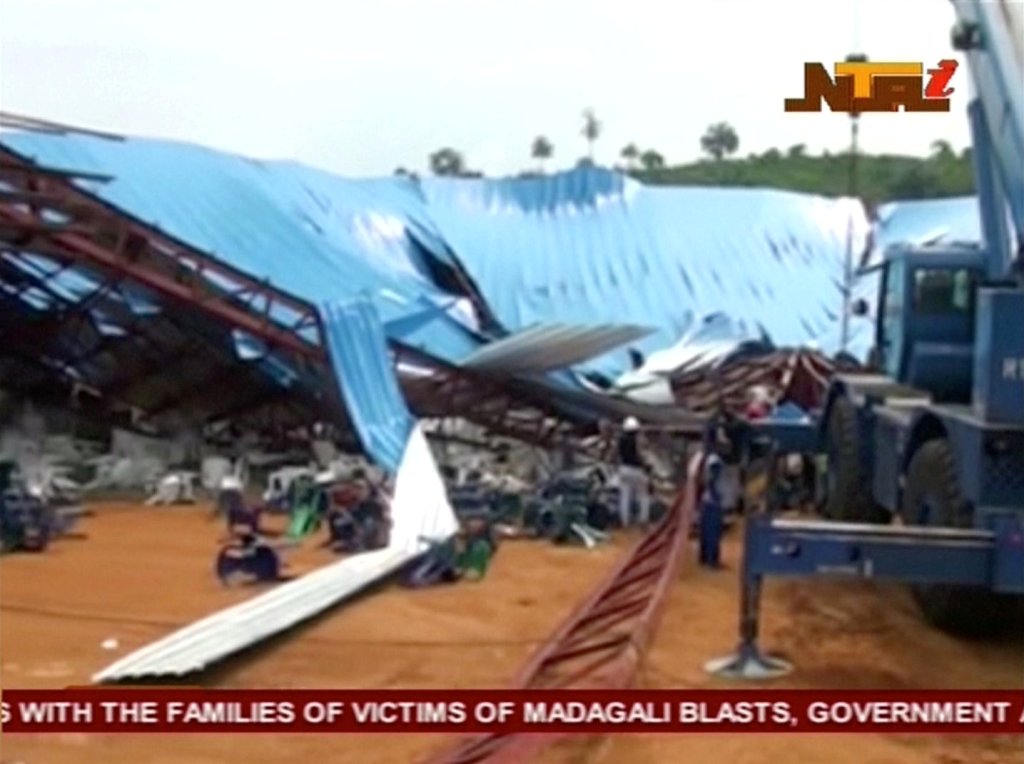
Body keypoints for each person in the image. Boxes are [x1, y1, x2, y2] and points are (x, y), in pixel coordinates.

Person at [616, 416, 651, 528]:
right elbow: (640, 454)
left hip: (624, 468)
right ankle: (643, 519)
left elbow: (617, 454)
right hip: (637, 469)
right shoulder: (637, 439)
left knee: (625, 496)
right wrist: (646, 465)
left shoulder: (620, 439)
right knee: (643, 495)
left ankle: (625, 521)